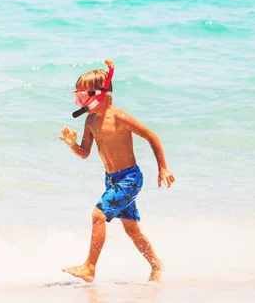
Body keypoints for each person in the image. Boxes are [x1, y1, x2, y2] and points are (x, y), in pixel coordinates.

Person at [58, 59, 175, 282]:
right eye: (78, 96)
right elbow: (85, 153)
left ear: (100, 94)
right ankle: (156, 265)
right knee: (132, 230)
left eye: (83, 95)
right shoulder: (90, 121)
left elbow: (151, 136)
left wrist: (163, 168)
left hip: (130, 178)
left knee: (98, 214)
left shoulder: (118, 117)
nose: (80, 101)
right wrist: (72, 144)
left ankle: (90, 267)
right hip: (111, 180)